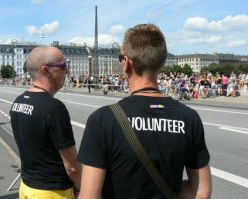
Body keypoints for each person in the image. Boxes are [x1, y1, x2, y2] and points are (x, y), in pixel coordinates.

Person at [77, 24, 212, 199]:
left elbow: (89, 196)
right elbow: (201, 191)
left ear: (126, 63)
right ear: (161, 63)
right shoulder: (188, 117)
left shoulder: (102, 119)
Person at [9, 46, 81, 199]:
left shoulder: (18, 102)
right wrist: (80, 189)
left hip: (27, 187)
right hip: (52, 192)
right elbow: (72, 167)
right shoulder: (54, 108)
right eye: (63, 66)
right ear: (45, 70)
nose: (67, 71)